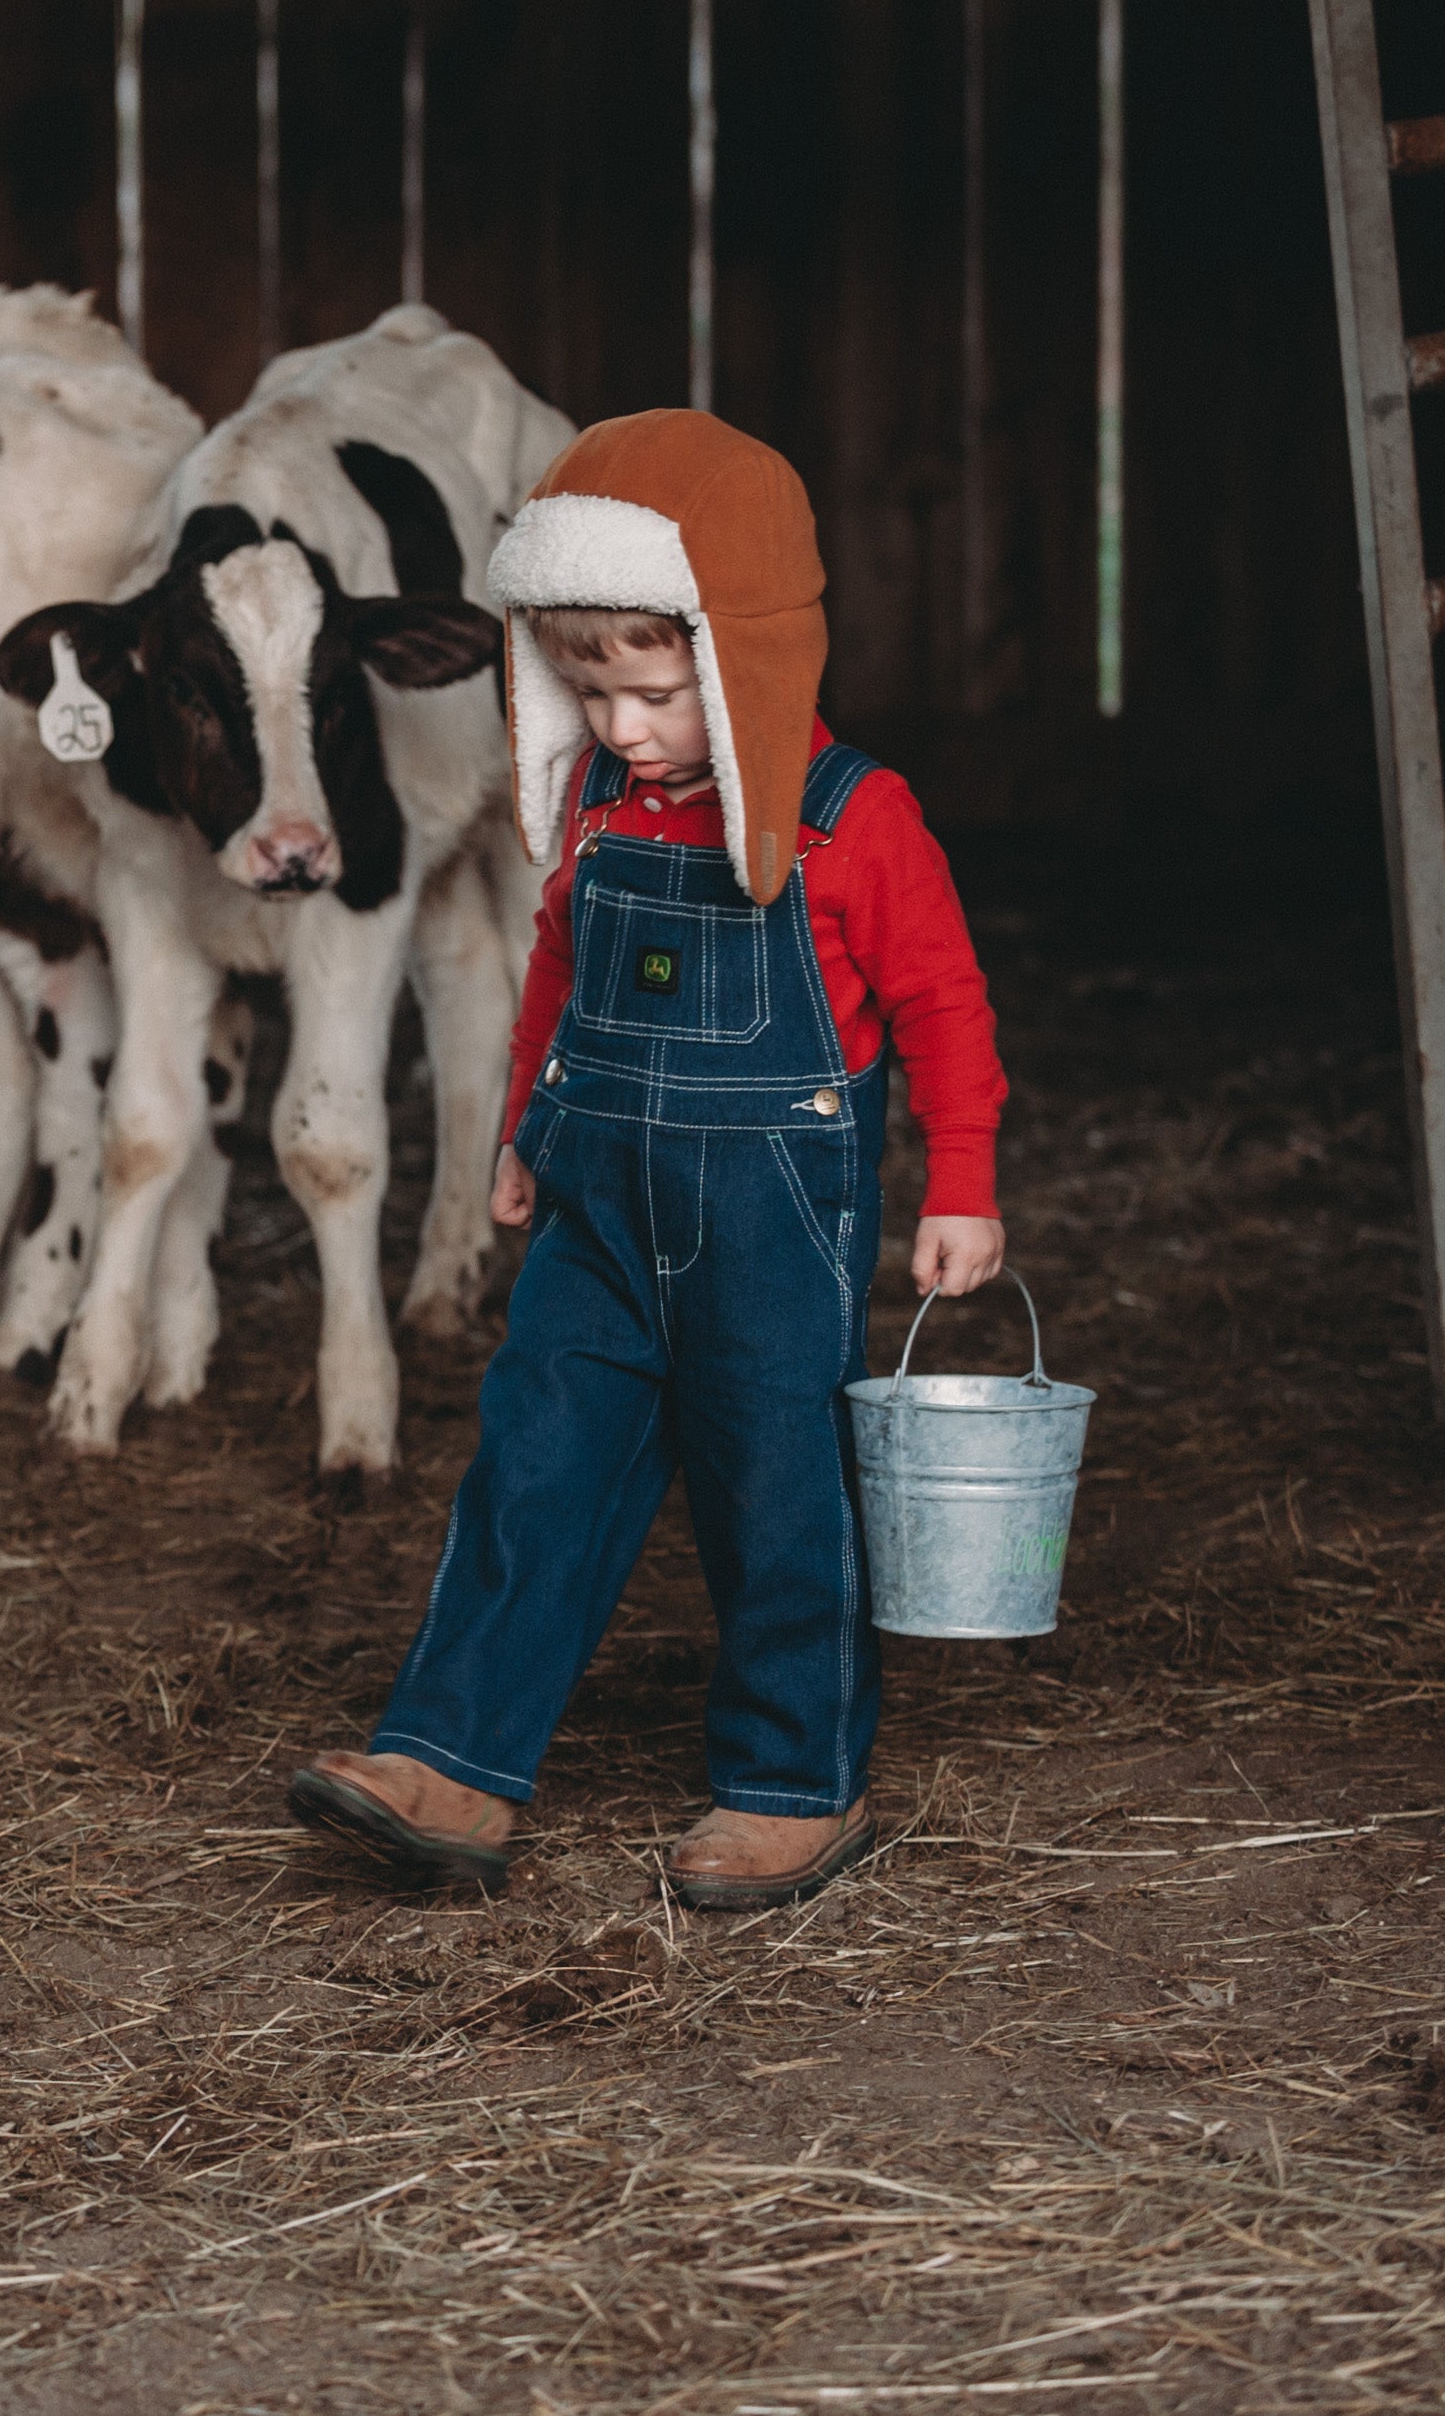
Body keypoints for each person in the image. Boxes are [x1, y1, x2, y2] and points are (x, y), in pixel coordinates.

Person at [288, 408, 1006, 1912]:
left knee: (776, 1483)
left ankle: (789, 1780)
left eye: (658, 687)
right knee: (532, 1458)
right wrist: (518, 1140)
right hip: (596, 1198)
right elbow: (554, 979)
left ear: (744, 652)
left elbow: (942, 998)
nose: (621, 728)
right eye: (586, 685)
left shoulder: (849, 820)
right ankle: (452, 1757)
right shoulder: (604, 812)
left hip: (772, 1211)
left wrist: (960, 1182)